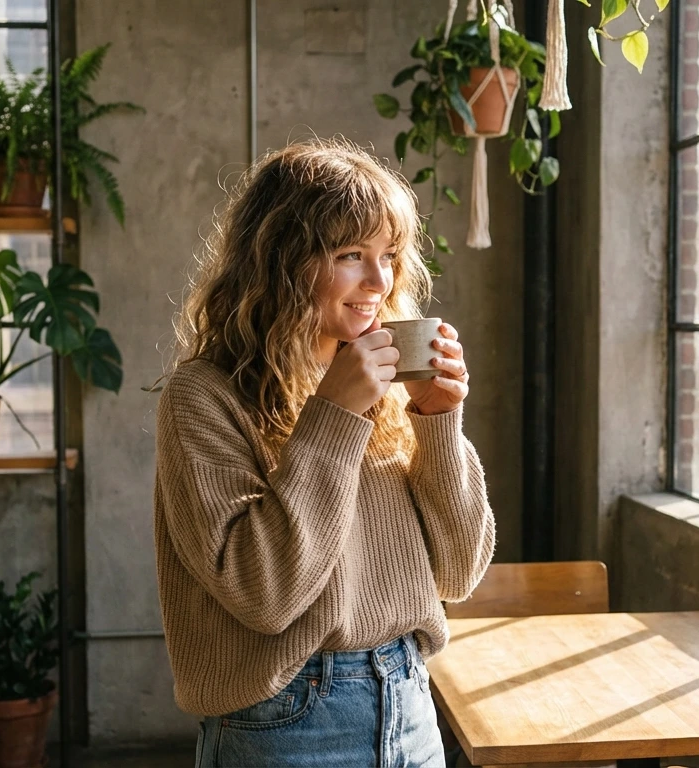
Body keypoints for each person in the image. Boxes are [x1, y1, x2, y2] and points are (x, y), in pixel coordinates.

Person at [154, 137, 495, 768]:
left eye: (389, 255)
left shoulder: (391, 389)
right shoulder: (203, 397)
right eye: (349, 255)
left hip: (411, 702)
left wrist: (439, 422)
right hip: (285, 722)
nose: (379, 280)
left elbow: (460, 573)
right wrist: (334, 416)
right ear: (281, 261)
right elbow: (265, 595)